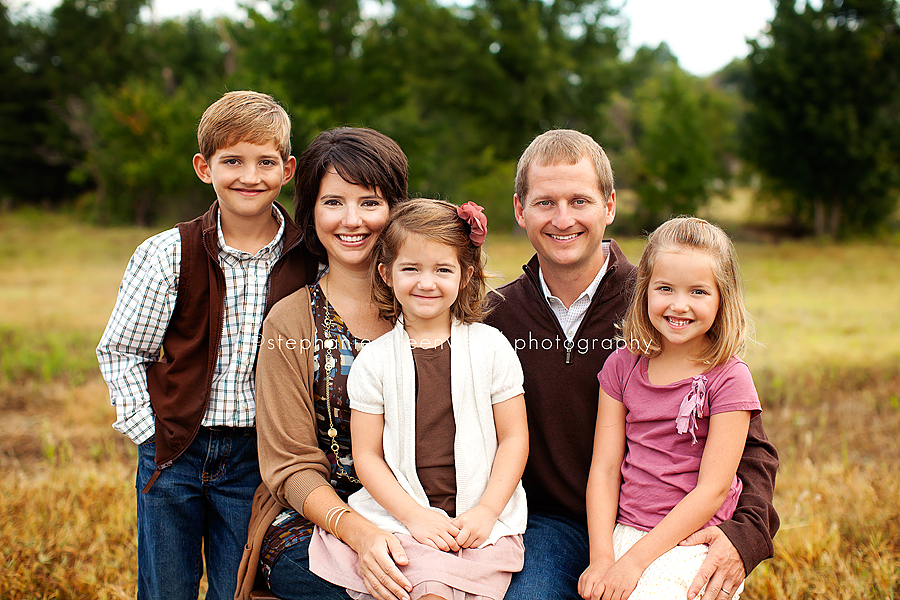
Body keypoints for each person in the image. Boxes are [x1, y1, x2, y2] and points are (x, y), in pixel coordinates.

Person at [485, 129, 779, 600]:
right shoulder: (495, 317)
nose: (563, 219)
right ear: (520, 210)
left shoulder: (662, 298)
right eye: (545, 203)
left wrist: (745, 535)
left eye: (580, 200)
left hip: (662, 522)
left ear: (610, 206)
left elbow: (752, 450)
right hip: (549, 523)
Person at [96, 90, 317, 600]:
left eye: (266, 162)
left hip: (255, 455)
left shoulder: (307, 255)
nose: (250, 176)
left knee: (235, 585)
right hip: (176, 449)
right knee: (166, 587)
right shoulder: (167, 253)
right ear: (204, 167)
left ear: (287, 170)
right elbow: (123, 350)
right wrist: (150, 431)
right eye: (232, 161)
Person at [308, 198, 530, 600]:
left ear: (465, 276)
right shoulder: (373, 362)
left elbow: (514, 438)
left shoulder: (492, 347)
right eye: (411, 268)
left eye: (443, 270)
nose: (426, 283)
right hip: (403, 519)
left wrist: (486, 511)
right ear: (386, 273)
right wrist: (415, 517)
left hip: (481, 521)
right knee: (423, 588)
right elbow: (368, 456)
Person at [234, 126, 413, 600]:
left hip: (425, 511)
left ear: (395, 210)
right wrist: (361, 534)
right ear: (311, 213)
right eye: (333, 202)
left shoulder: (427, 304)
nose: (351, 220)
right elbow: (289, 465)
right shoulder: (290, 322)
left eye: (370, 202)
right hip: (314, 521)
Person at [579, 217, 762, 600]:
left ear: (722, 298)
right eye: (665, 289)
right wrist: (601, 558)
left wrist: (633, 563)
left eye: (698, 292)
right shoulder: (622, 366)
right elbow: (606, 468)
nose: (680, 305)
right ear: (645, 291)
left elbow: (712, 491)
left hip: (693, 538)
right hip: (626, 528)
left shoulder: (729, 378)